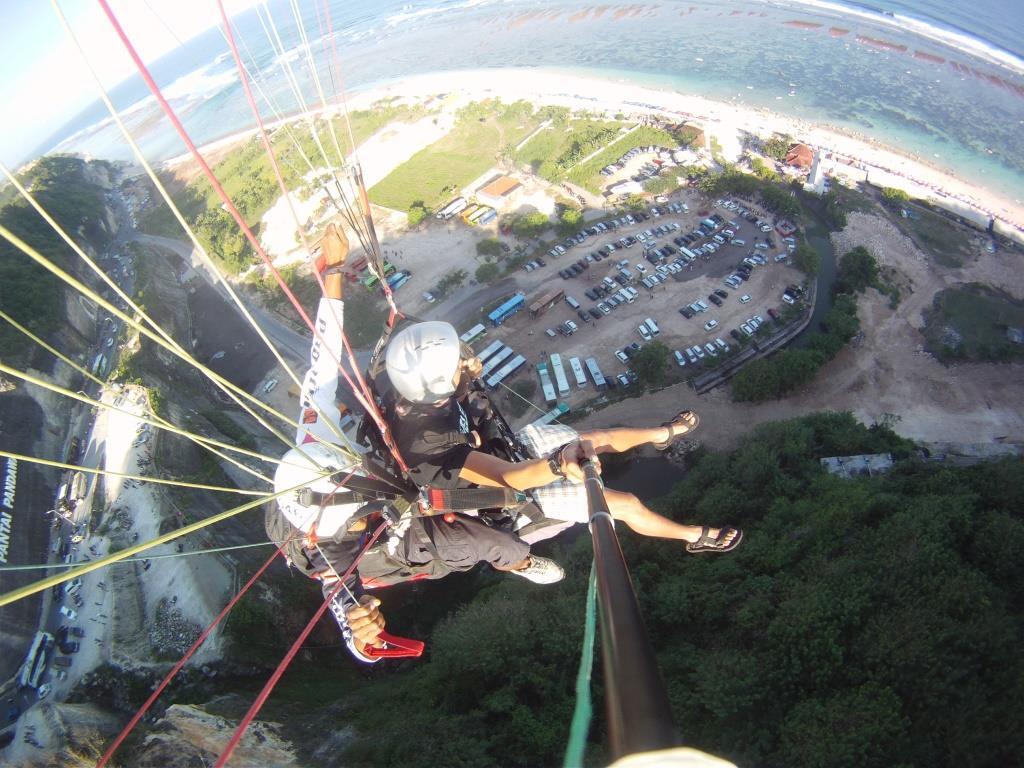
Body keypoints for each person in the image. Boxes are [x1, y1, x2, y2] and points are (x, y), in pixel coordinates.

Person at [270, 225, 574, 663]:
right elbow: (346, 609)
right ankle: (521, 563)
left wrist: (333, 270)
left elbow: (324, 347)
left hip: (340, 490)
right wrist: (362, 635)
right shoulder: (334, 539)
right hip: (385, 543)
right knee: (489, 543)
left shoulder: (319, 424)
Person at [382, 321, 743, 553]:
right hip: (515, 491)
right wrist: (558, 463)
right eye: (457, 363)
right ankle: (694, 537)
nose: (466, 361)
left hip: (506, 448)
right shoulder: (428, 443)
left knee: (598, 436)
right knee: (628, 503)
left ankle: (664, 434)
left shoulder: (413, 391)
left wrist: (466, 378)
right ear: (440, 382)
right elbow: (508, 479)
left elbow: (456, 399)